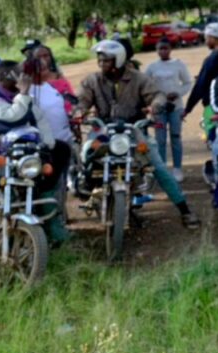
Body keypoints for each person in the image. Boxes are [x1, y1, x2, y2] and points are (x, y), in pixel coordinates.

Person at [75, 40, 200, 229]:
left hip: (133, 130)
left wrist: (156, 105)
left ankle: (184, 210)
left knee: (157, 166)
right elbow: (82, 100)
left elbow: (156, 94)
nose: (101, 64)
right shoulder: (92, 81)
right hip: (103, 130)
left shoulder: (139, 79)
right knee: (86, 152)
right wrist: (80, 111)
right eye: (100, 60)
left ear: (118, 60)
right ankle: (86, 188)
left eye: (106, 60)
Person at [0, 61, 72, 244]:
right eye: (19, 75)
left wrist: (48, 144)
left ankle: (50, 213)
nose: (25, 78)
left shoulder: (21, 95)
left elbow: (39, 118)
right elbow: (14, 115)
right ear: (7, 78)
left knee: (60, 152)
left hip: (24, 148)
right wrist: (23, 93)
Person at [146, 38, 193, 181]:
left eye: (166, 48)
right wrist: (153, 100)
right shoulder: (152, 67)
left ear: (171, 49)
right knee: (160, 139)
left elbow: (187, 83)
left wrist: (178, 93)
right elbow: (145, 85)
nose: (163, 51)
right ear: (156, 50)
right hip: (159, 107)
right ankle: (162, 168)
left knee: (175, 137)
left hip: (176, 106)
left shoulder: (178, 64)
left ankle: (177, 168)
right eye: (160, 48)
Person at [183, 22, 218, 118]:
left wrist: (188, 109)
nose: (205, 41)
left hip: (214, 106)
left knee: (213, 132)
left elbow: (200, 86)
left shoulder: (212, 59)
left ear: (213, 38)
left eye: (206, 37)